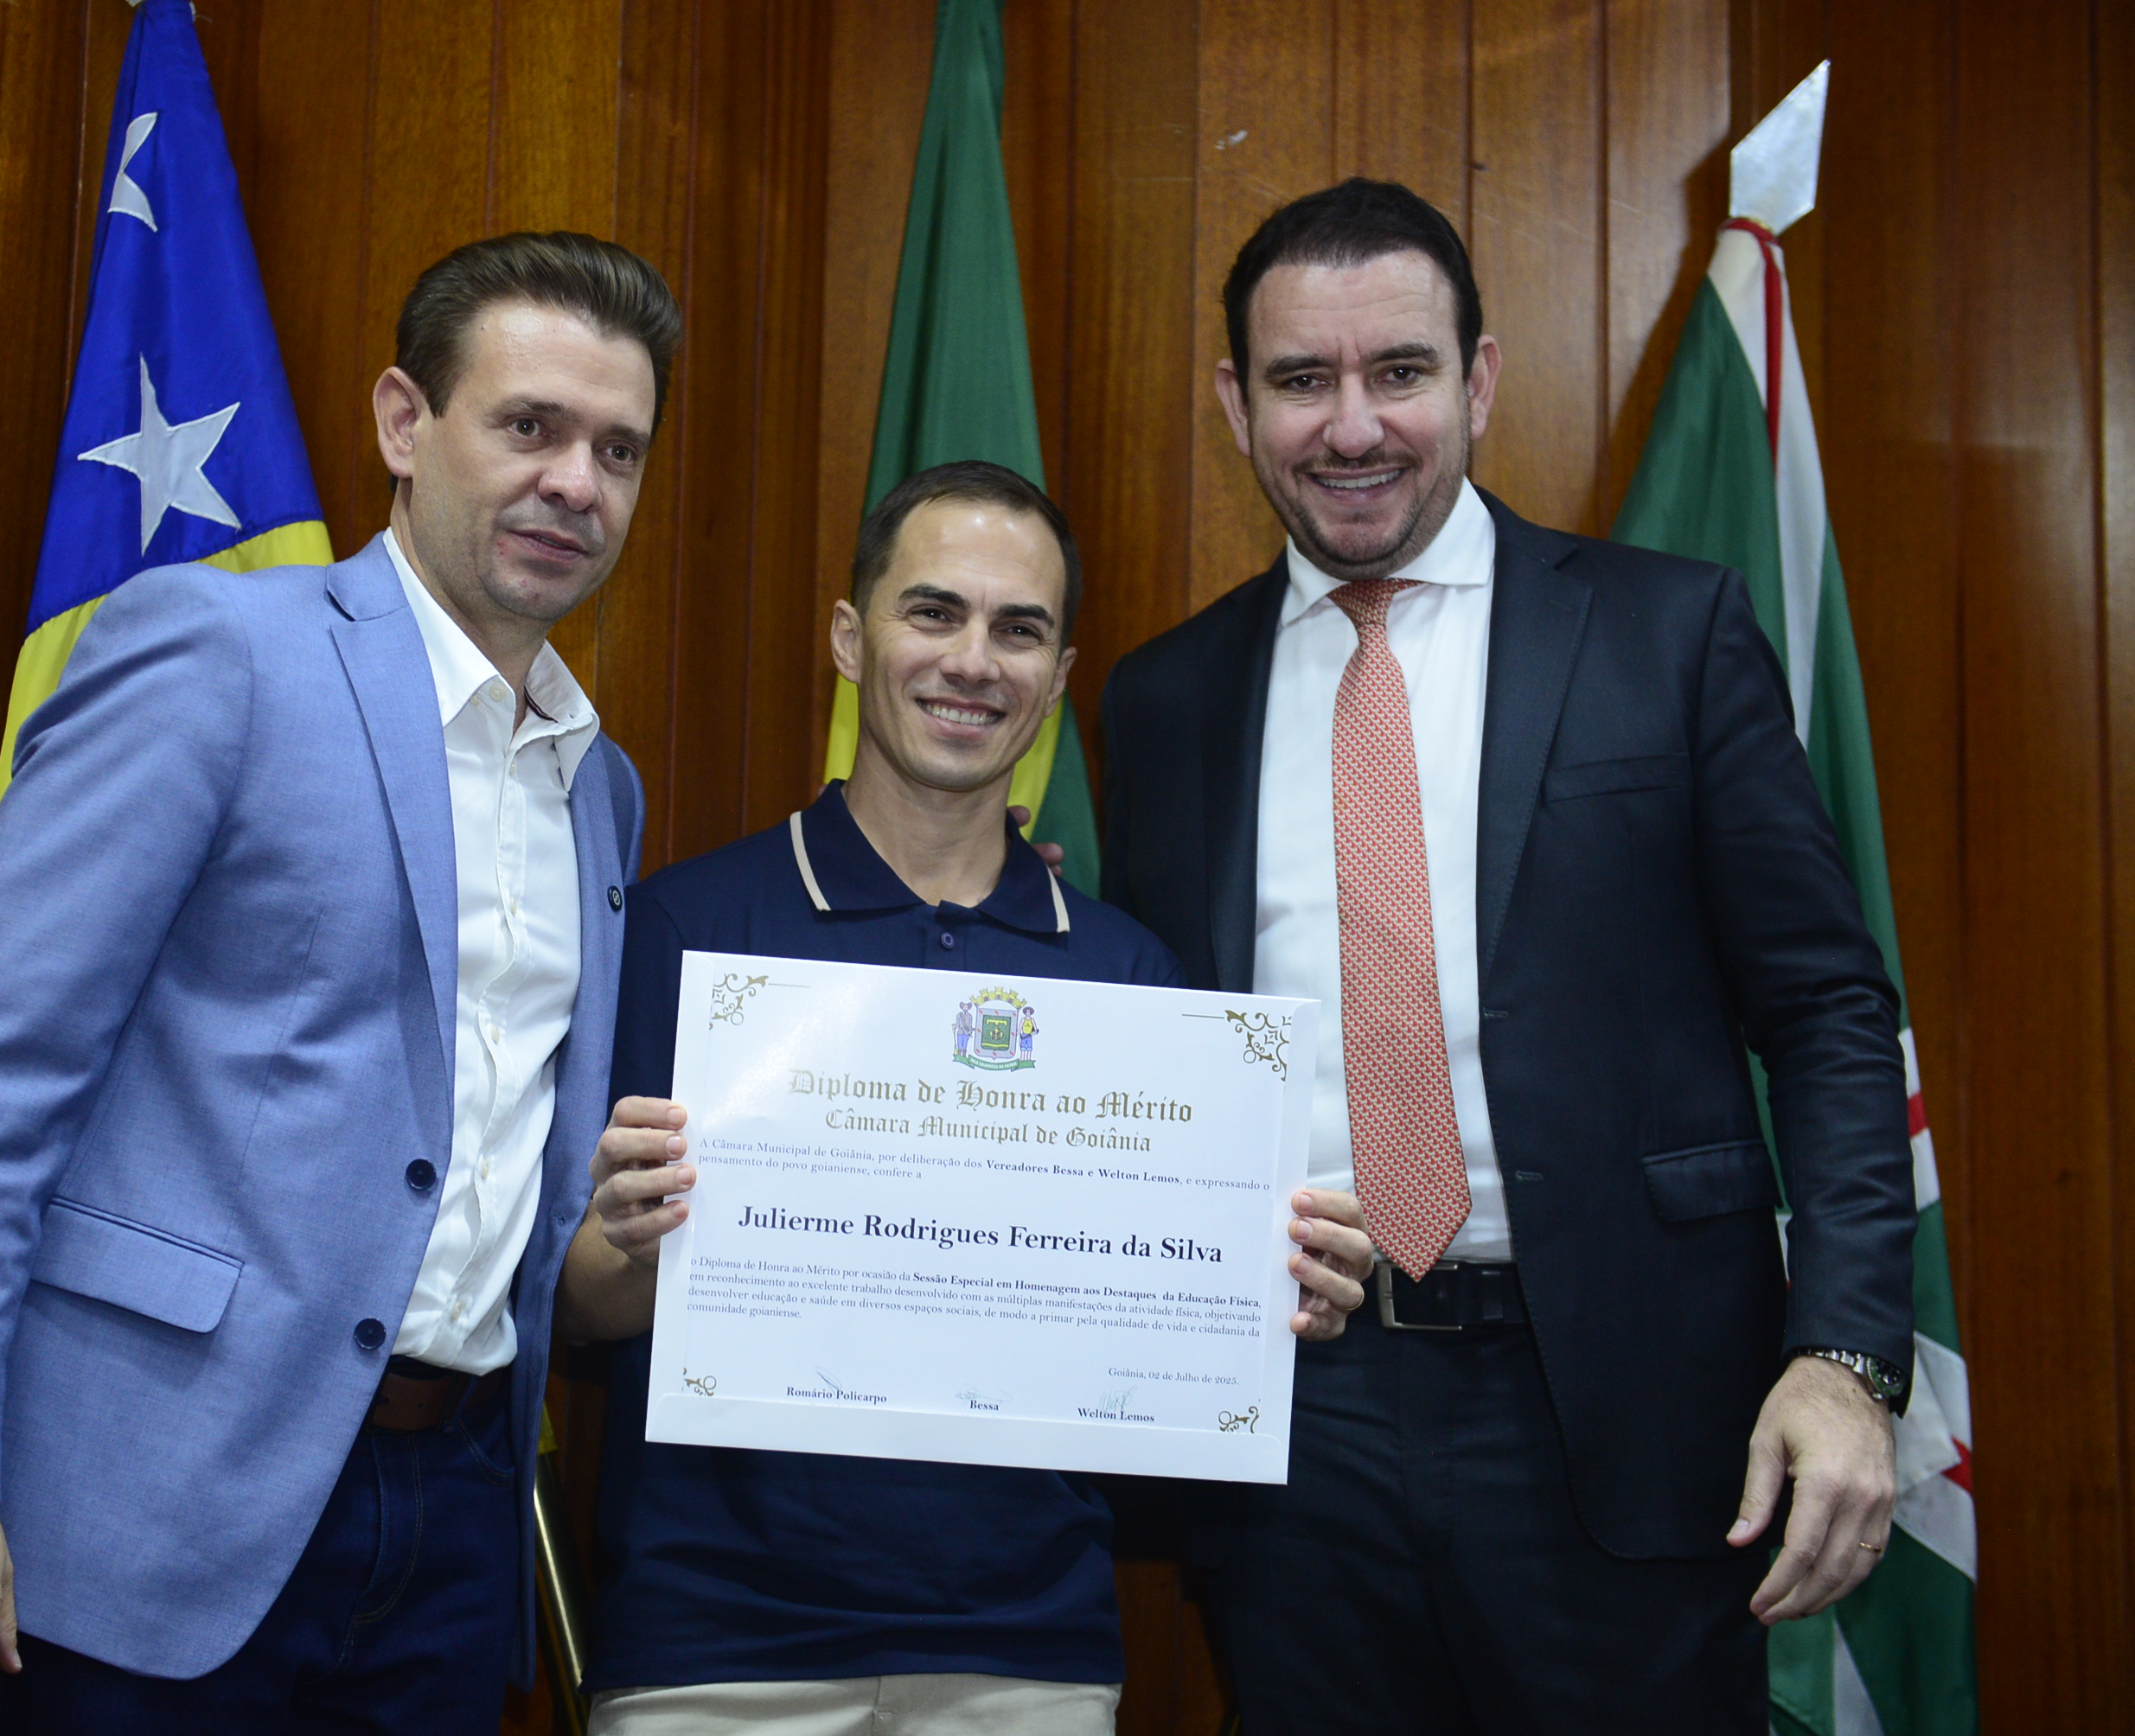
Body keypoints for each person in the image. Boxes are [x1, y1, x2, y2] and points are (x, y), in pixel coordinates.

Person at [0, 232, 681, 1736]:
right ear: (404, 423)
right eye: (528, 426)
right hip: (153, 1503)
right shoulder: (218, 653)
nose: (575, 485)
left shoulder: (601, 786)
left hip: (454, 1522)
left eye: (618, 450)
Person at [1096, 178, 1915, 1732]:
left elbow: (1826, 1011)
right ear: (1235, 403)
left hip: (1626, 1405)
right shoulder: (1164, 698)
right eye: (1301, 379)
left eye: (1399, 371)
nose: (1352, 426)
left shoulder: (1667, 635)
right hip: (1297, 1427)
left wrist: (1846, 1356)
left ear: (1477, 380)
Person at [555, 460, 1378, 1736]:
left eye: (1019, 629)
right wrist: (634, 1236)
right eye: (933, 612)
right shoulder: (686, 929)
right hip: (716, 1647)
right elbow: (576, 1310)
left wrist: (1282, 1294)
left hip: (1026, 1653)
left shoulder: (1131, 981)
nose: (973, 661)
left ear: (1058, 675)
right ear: (850, 638)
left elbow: (1176, 1322)